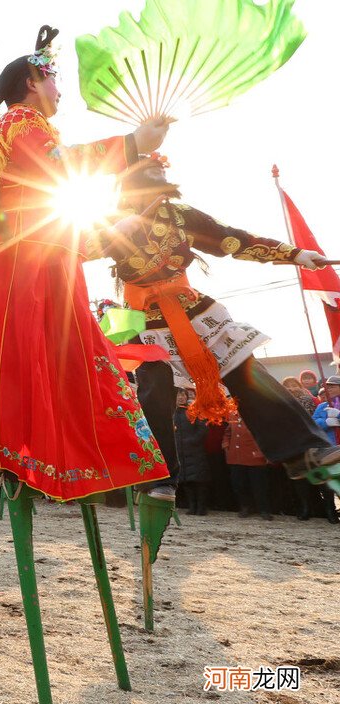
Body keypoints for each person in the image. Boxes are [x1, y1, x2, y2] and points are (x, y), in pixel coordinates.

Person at [0, 27, 172, 501]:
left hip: (40, 249)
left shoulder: (20, 125)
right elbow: (60, 166)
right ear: (31, 81)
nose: (60, 90)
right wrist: (132, 143)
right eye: (55, 80)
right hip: (28, 257)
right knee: (49, 347)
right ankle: (26, 457)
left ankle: (28, 459)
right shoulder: (22, 123)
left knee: (51, 350)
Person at [96, 152, 340, 499]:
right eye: (146, 188)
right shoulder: (108, 221)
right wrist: (111, 233)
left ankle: (302, 452)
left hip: (193, 309)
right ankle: (160, 477)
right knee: (155, 389)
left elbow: (231, 239)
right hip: (144, 317)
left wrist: (295, 255)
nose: (155, 196)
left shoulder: (181, 216)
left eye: (160, 187)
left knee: (243, 367)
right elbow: (68, 250)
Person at [224, 412, 272, 520]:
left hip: (255, 458)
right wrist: (226, 445)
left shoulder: (257, 416)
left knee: (259, 487)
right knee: (239, 485)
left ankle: (263, 510)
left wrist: (263, 453)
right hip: (236, 458)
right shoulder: (232, 415)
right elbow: (228, 433)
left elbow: (265, 435)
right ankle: (245, 507)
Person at [173, 389, 212, 516]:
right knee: (185, 481)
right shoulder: (172, 413)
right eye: (178, 395)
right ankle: (192, 506)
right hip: (180, 452)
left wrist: (192, 440)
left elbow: (203, 429)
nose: (180, 397)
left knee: (199, 481)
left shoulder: (193, 411)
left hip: (195, 451)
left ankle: (201, 507)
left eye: (183, 395)